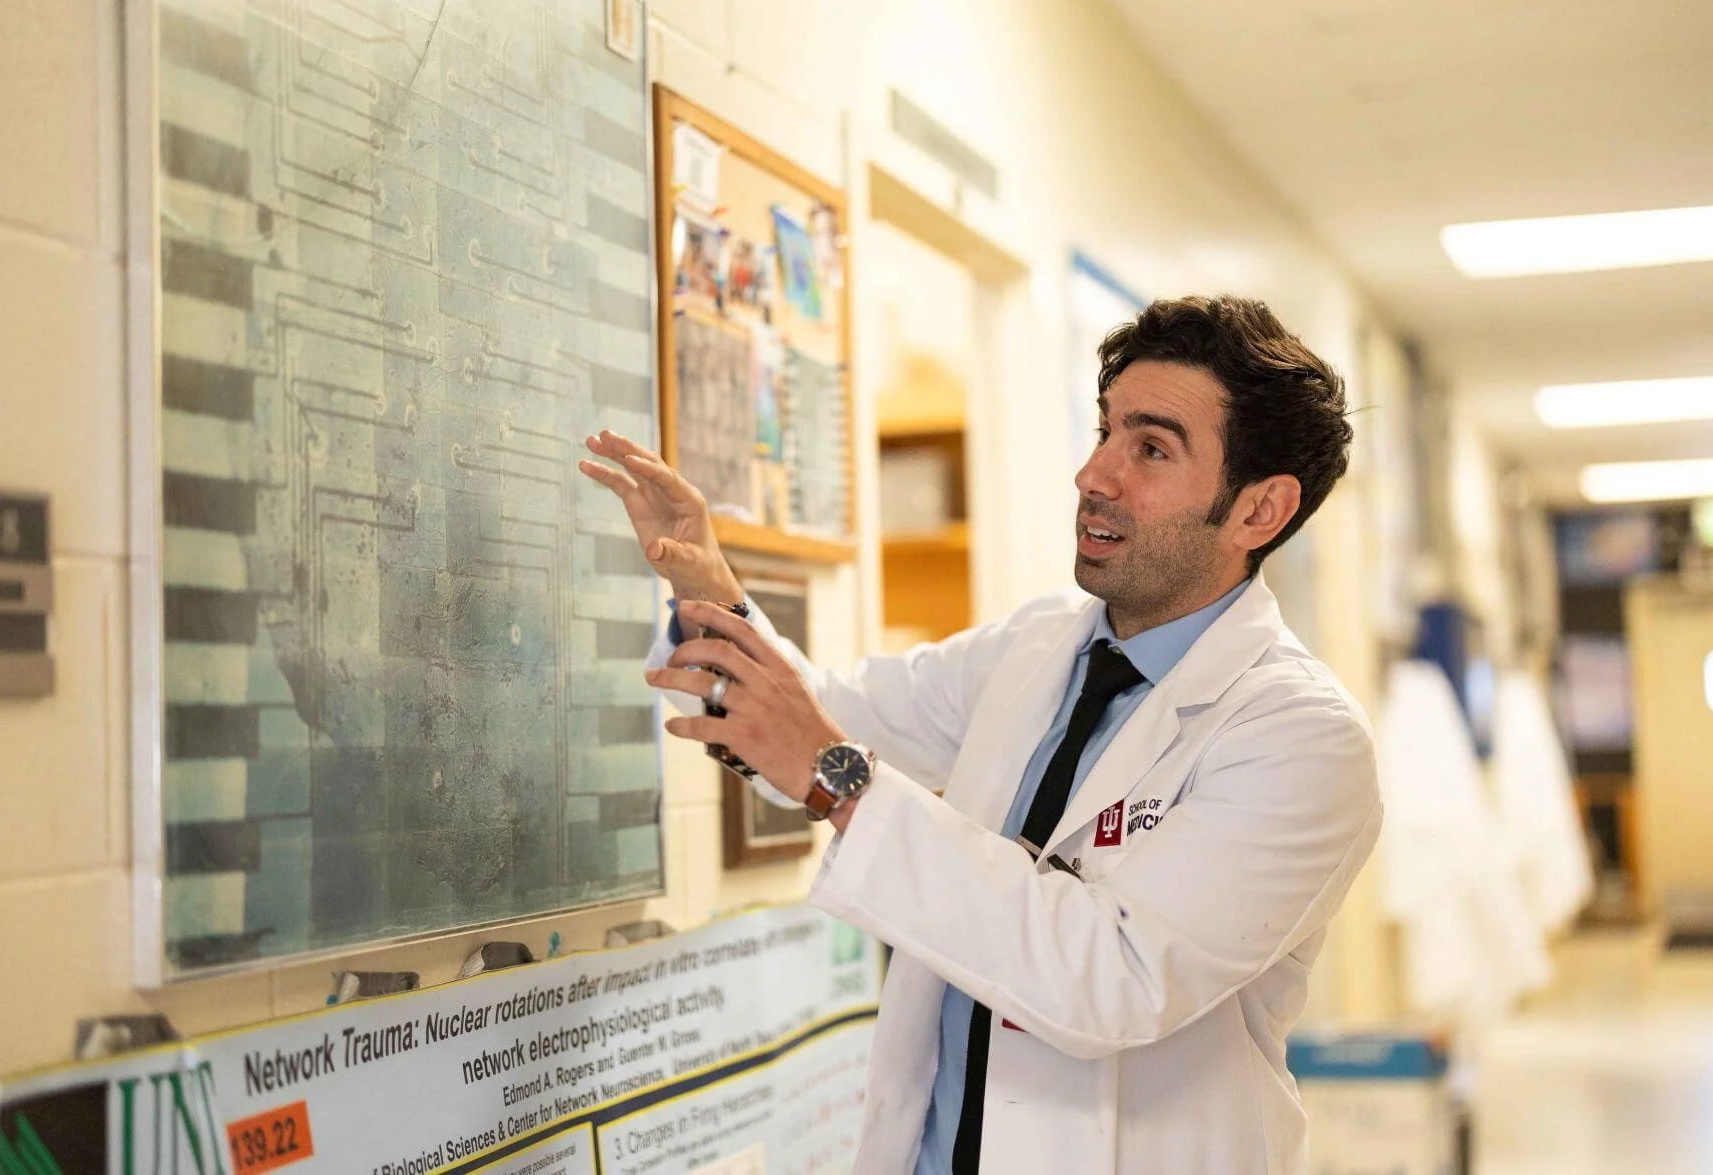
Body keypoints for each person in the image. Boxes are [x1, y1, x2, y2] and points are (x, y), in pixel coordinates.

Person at [577, 295, 1381, 1174]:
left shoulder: (1301, 737)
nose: (1094, 474)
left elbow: (1110, 978)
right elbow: (824, 714)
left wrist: (837, 779)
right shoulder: (1032, 648)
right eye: (1104, 432)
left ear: (1259, 511)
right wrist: (710, 588)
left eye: (1149, 448)